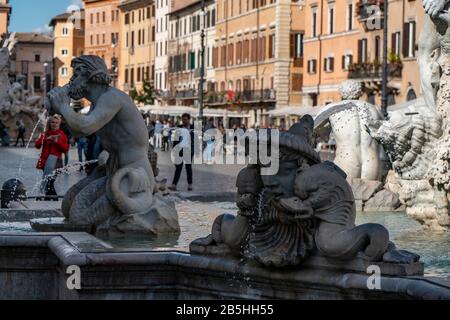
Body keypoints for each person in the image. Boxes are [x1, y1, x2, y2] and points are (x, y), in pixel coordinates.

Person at [35, 115, 69, 200]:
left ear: (59, 124)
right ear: (49, 123)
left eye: (56, 122)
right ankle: (50, 199)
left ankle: (50, 198)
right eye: (52, 122)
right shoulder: (45, 134)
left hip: (55, 162)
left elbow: (65, 149)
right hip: (45, 161)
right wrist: (46, 139)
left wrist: (56, 141)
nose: (54, 124)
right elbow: (37, 145)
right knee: (48, 182)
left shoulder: (61, 134)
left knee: (50, 182)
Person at [169, 113, 194, 191]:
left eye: (185, 119)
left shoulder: (193, 128)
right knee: (178, 167)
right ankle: (174, 185)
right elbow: (176, 139)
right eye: (183, 119)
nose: (184, 121)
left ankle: (190, 184)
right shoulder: (179, 128)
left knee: (188, 167)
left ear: (189, 120)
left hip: (189, 150)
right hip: (179, 150)